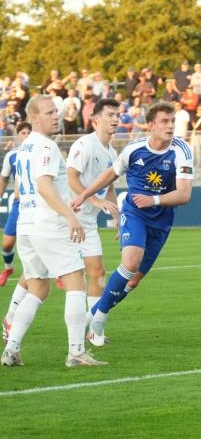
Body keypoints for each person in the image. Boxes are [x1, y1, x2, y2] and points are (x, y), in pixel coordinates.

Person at [70, 102, 195, 347]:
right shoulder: (134, 149)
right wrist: (85, 195)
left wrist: (154, 199)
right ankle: (100, 319)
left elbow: (184, 194)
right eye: (164, 122)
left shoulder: (182, 150)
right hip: (135, 211)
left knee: (134, 279)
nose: (170, 126)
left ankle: (91, 314)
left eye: (172, 122)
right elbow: (110, 174)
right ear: (151, 125)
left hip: (161, 218)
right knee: (130, 261)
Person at [1, 96, 104, 367]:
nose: (55, 116)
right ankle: (76, 351)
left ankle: (11, 349)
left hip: (26, 224)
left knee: (38, 287)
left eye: (55, 112)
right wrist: (70, 215)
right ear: (34, 117)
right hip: (48, 224)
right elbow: (45, 186)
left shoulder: (24, 148)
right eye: (48, 113)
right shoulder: (46, 146)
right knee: (75, 282)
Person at [66, 99, 121, 347]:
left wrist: (118, 218)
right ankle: (13, 319)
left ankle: (93, 330)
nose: (116, 119)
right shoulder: (84, 144)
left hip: (88, 223)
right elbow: (71, 178)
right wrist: (95, 201)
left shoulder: (112, 153)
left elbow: (110, 188)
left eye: (117, 114)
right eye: (110, 114)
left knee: (98, 273)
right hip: (67, 220)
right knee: (40, 277)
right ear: (96, 119)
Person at [0, 122, 31, 286]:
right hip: (19, 204)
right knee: (6, 244)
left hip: (37, 204)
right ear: (18, 135)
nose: (26, 136)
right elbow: (4, 179)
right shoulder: (11, 156)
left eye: (29, 133)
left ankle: (61, 275)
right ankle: (8, 268)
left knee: (42, 242)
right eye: (23, 133)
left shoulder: (40, 153)